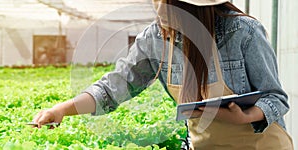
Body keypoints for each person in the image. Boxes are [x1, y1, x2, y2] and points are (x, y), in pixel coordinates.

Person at [33, 0, 294, 149]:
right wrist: (62, 110)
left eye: (164, 2)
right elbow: (116, 85)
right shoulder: (156, 38)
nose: (157, 8)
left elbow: (275, 97)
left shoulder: (244, 32)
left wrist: (245, 116)